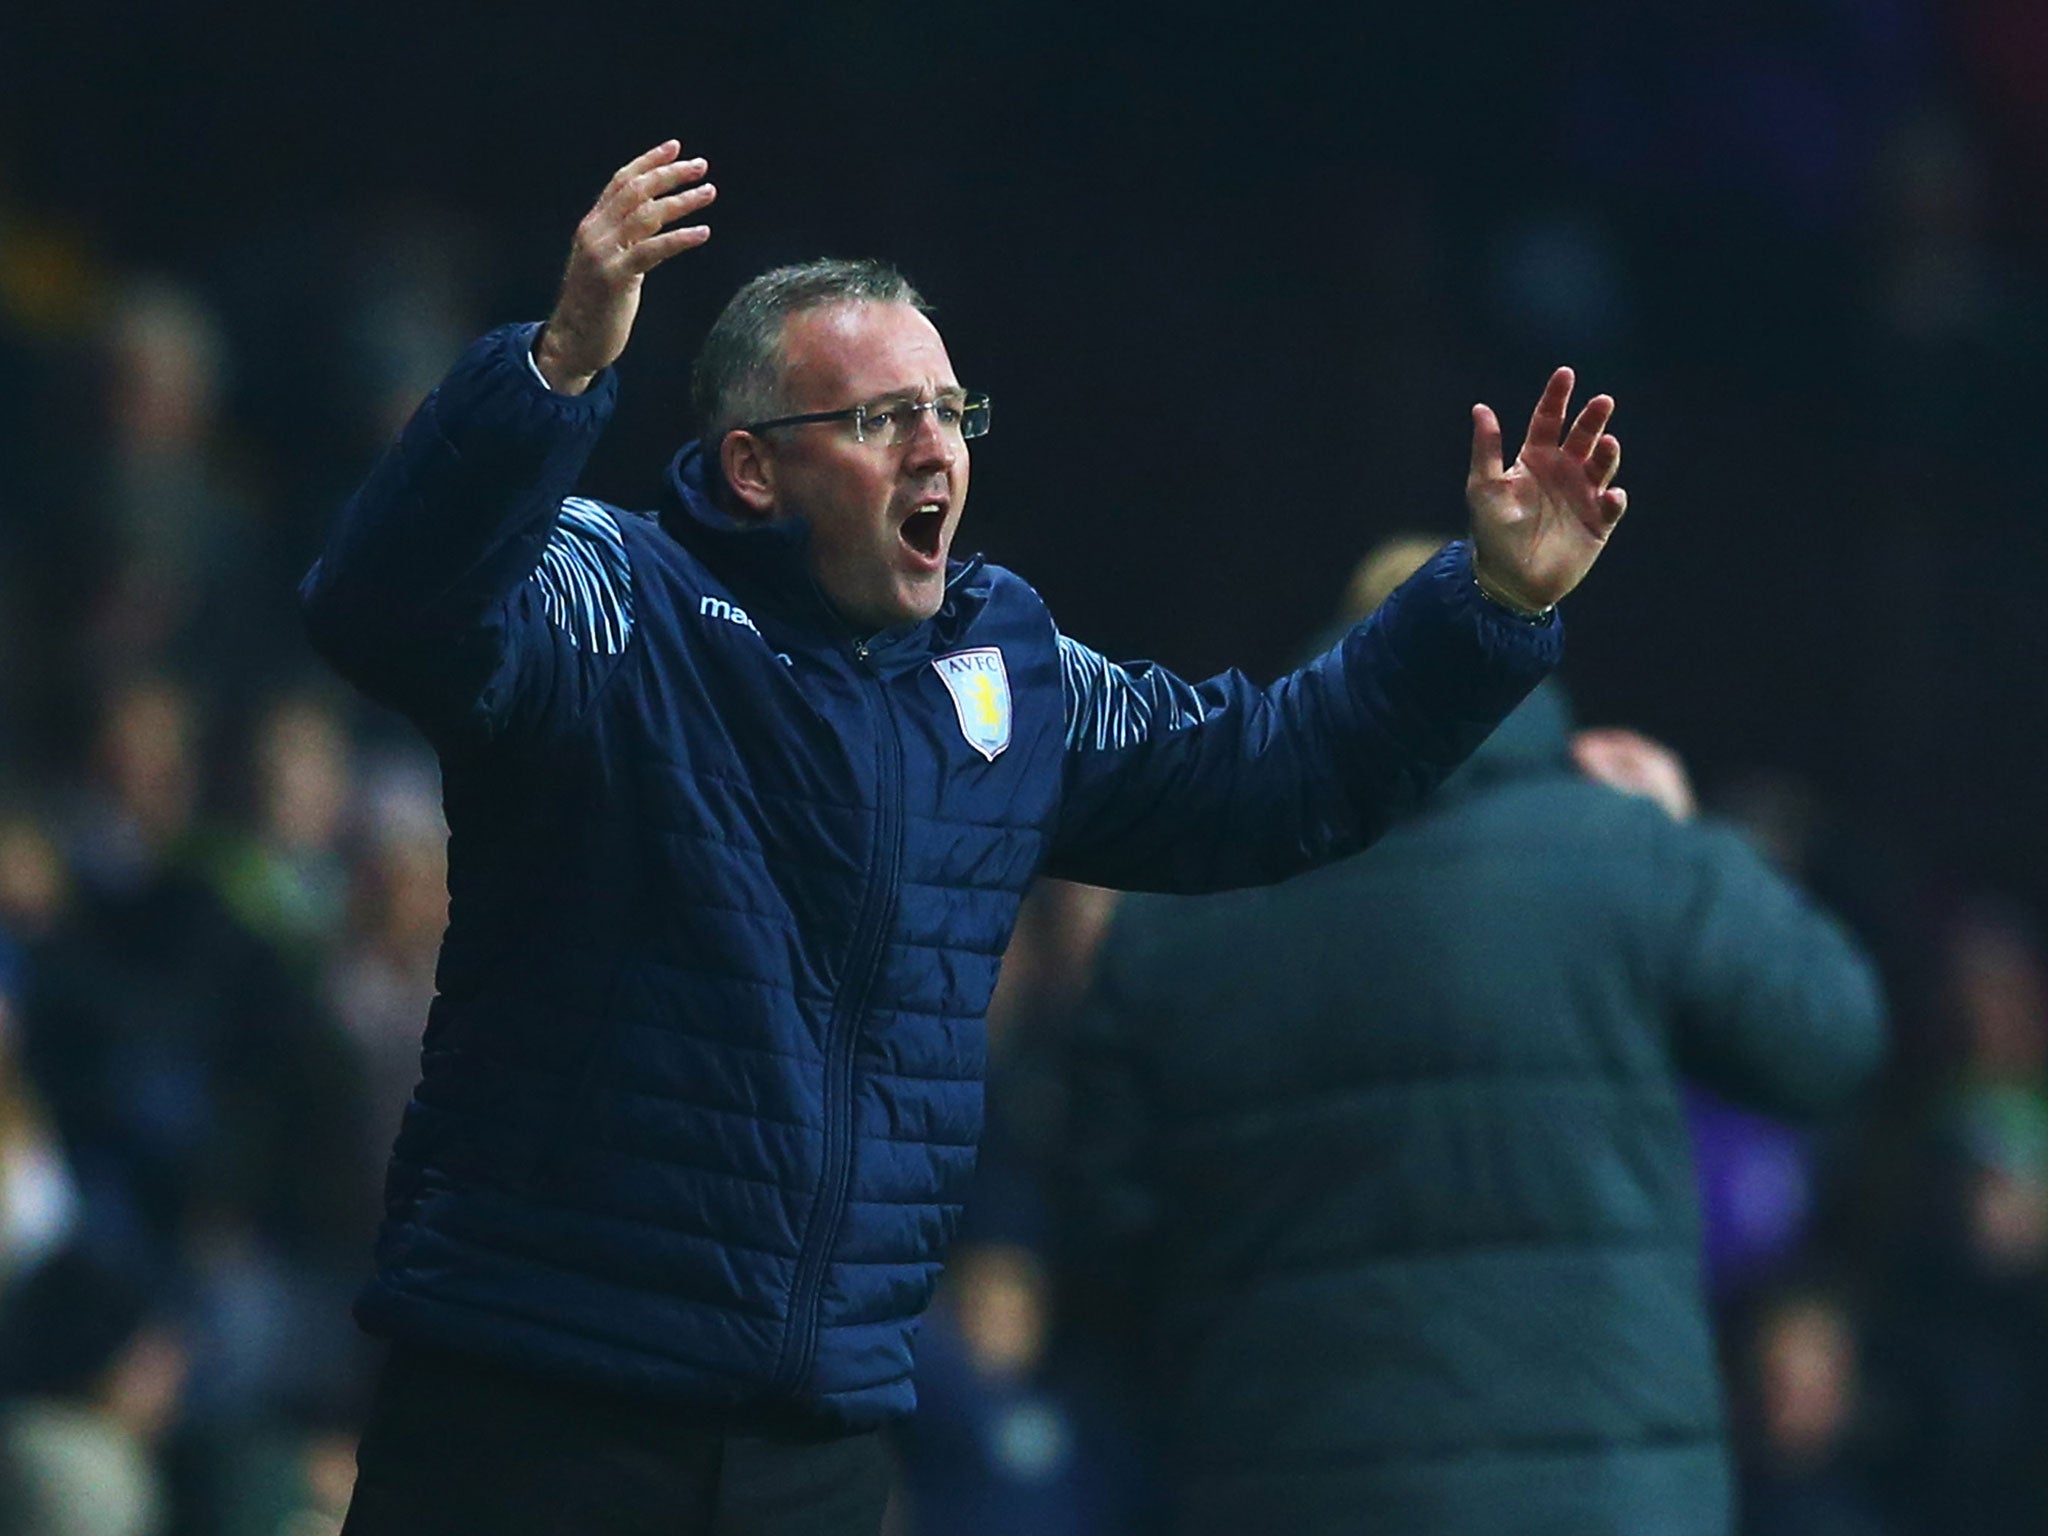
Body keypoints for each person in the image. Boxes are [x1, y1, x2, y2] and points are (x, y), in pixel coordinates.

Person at [300, 139, 1632, 1535]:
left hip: (812, 1448)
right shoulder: (613, 595)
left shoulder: (1001, 668)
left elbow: (1268, 775)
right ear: (752, 467)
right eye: (884, 418)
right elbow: (381, 607)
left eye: (951, 411)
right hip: (533, 1408)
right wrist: (555, 370)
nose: (939, 447)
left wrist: (1486, 606)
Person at [1055, 545, 1887, 1536]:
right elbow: (1832, 1031)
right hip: (1593, 1500)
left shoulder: (1178, 911)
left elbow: (1104, 1249)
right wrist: (1683, 834)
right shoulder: (1625, 855)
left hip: (1280, 1491)